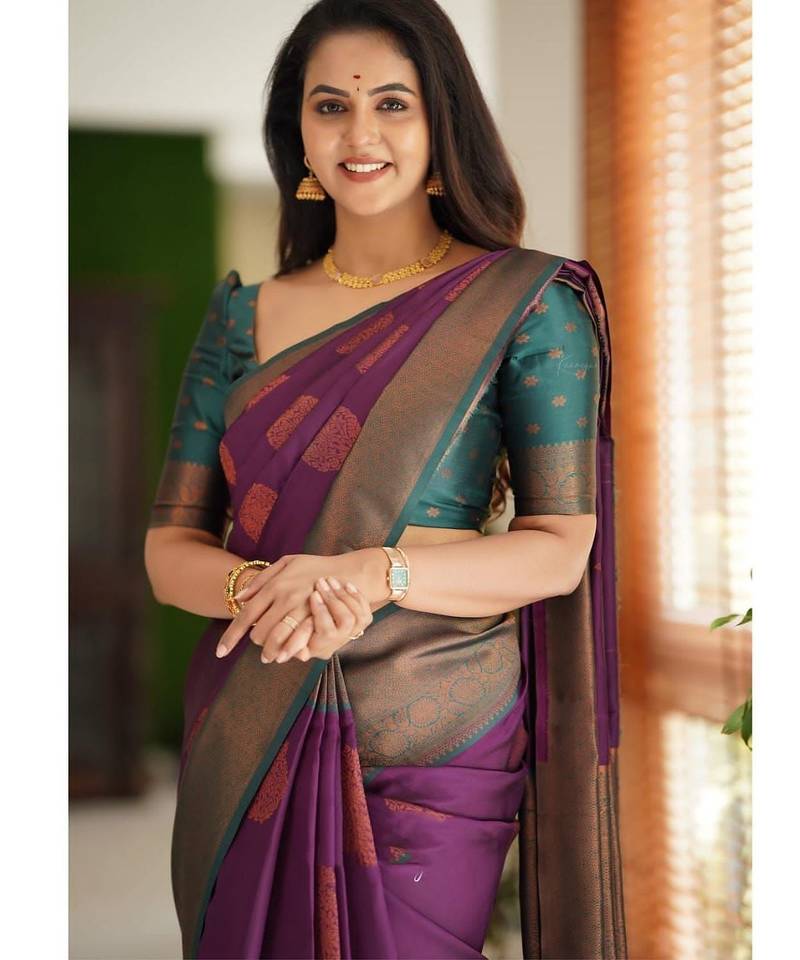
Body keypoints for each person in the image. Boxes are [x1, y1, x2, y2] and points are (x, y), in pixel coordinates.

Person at [143, 1, 627, 957]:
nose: (360, 134)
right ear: (299, 135)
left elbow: (560, 549)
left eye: (393, 104)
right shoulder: (240, 318)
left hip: (433, 734)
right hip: (251, 716)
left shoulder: (529, 303)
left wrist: (369, 574)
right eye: (331, 106)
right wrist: (268, 591)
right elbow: (170, 549)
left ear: (442, 123)